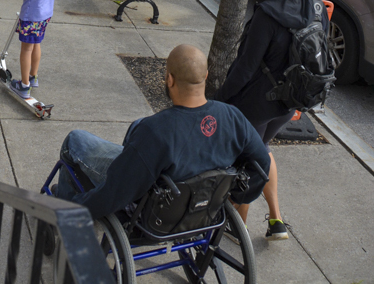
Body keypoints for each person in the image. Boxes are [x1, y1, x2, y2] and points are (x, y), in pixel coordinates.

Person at [55, 45, 271, 222]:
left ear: (169, 79)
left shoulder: (156, 130)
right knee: (137, 126)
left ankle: (64, 212)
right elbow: (262, 162)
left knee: (75, 140)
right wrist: (233, 196)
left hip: (153, 208)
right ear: (205, 76)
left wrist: (80, 206)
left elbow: (116, 192)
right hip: (199, 206)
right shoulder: (232, 116)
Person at [214, 0, 328, 240]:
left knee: (246, 161)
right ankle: (276, 220)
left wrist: (219, 99)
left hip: (256, 105)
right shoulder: (316, 6)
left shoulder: (267, 15)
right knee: (262, 149)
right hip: (289, 102)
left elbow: (245, 68)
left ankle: (238, 227)